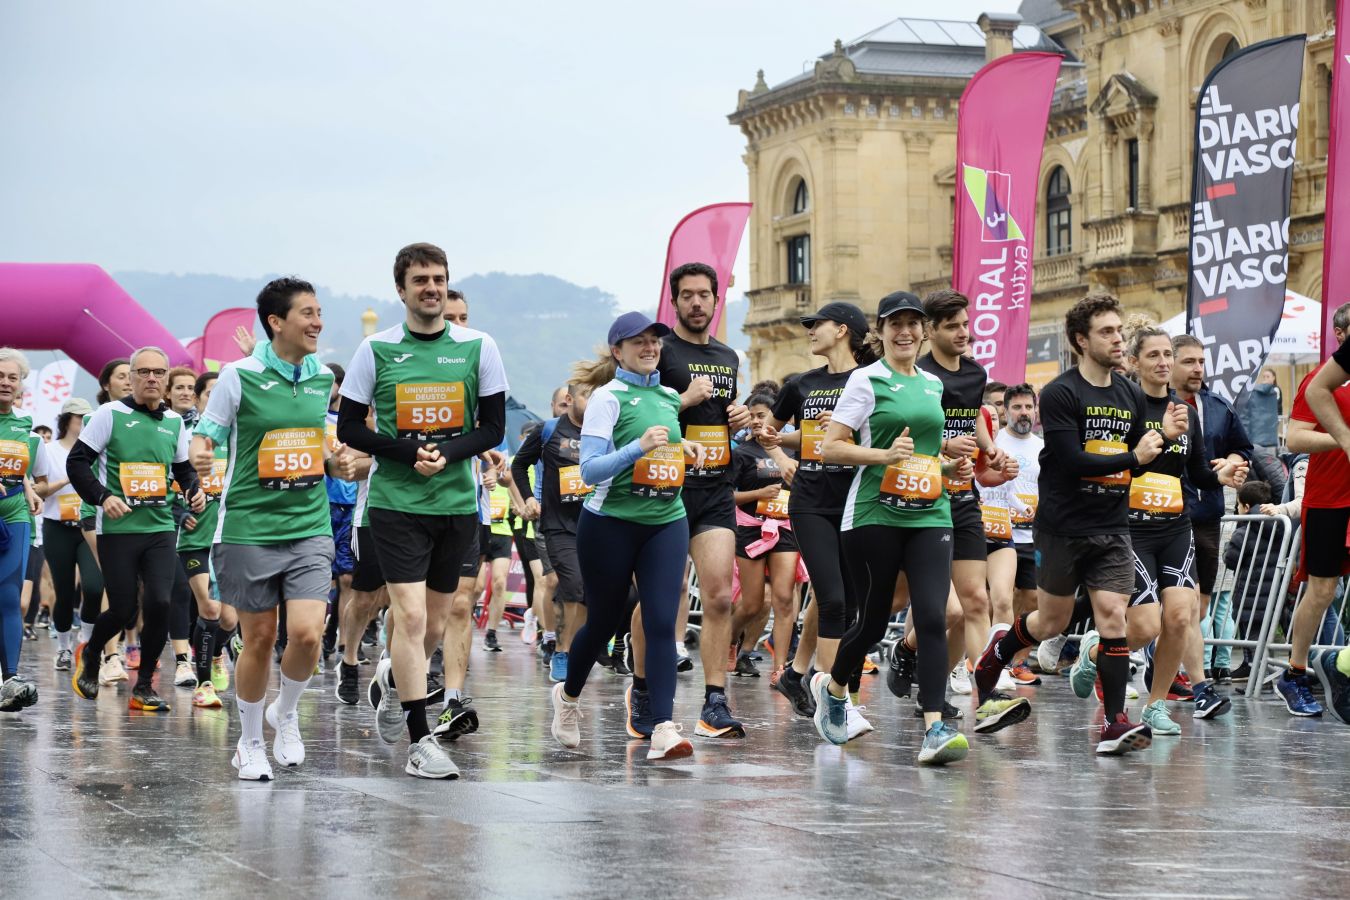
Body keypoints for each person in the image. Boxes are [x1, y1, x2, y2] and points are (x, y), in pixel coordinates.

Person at [973, 293, 1185, 754]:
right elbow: (1070, 461)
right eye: (1107, 331)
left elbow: (1137, 465)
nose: (1117, 338)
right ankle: (997, 654)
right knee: (1052, 620)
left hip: (1112, 526)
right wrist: (1136, 455)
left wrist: (1163, 442)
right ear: (1080, 340)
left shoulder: (1128, 392)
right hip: (1063, 526)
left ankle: (1113, 723)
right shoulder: (1063, 392)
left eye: (1119, 329)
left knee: (1113, 617)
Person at [338, 245, 507, 779]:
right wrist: (408, 453)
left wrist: (449, 453)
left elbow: (493, 426)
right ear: (401, 289)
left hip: (457, 503)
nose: (430, 288)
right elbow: (350, 429)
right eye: (420, 281)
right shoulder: (377, 349)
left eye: (438, 279)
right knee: (409, 617)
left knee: (433, 624)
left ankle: (392, 683)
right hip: (396, 504)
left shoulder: (479, 347)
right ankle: (419, 740)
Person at [191, 278, 352, 780]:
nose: (318, 322)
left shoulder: (322, 377)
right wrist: (200, 450)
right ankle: (250, 742)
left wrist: (334, 461)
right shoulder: (239, 376)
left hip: (308, 525)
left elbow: (315, 441)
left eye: (320, 312)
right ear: (276, 322)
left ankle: (286, 714)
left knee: (306, 633)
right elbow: (209, 431)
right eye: (307, 313)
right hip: (248, 527)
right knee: (260, 636)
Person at [806, 291, 969, 765]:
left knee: (935, 616)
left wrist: (948, 468)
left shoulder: (934, 386)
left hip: (930, 512)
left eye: (913, 324)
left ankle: (934, 729)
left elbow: (925, 454)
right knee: (873, 620)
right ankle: (834, 688)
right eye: (895, 324)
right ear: (881, 330)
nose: (905, 332)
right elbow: (830, 448)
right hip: (874, 513)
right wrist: (883, 456)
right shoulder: (865, 379)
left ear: (923, 332)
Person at [549, 311, 702, 760]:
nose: (650, 348)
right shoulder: (606, 399)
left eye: (655, 341)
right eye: (639, 342)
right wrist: (640, 448)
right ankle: (568, 696)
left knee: (659, 622)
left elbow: (662, 446)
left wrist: (680, 449)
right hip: (610, 522)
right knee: (602, 621)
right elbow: (590, 469)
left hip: (665, 519)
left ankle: (662, 727)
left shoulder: (669, 398)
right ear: (618, 351)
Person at [633, 261, 750, 739]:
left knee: (720, 594)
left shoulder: (728, 356)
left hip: (717, 487)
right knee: (660, 597)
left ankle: (714, 702)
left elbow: (722, 415)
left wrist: (738, 417)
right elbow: (639, 412)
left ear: (716, 300)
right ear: (675, 300)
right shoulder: (661, 352)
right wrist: (682, 399)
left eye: (705, 295)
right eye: (688, 295)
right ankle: (641, 688)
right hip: (667, 487)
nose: (697, 303)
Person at [1108, 327, 1243, 736]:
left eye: (1168, 354)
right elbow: (1115, 464)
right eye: (1153, 355)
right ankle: (1096, 652)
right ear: (1134, 363)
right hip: (1132, 529)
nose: (1164, 362)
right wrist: (1159, 438)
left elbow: (1198, 471)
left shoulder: (1186, 410)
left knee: (1181, 618)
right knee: (1146, 626)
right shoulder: (1125, 408)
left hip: (1175, 526)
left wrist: (1226, 475)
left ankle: (1154, 706)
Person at [68, 346, 205, 712]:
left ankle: (144, 685)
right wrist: (102, 497)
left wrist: (195, 490)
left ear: (166, 378)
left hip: (160, 527)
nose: (151, 378)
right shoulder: (109, 414)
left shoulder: (174, 422)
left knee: (160, 601)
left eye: (158, 372)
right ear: (131, 377)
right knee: (124, 609)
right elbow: (77, 463)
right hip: (117, 529)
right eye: (143, 372)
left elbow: (183, 470)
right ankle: (93, 652)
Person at [761, 303, 873, 722]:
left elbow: (881, 431)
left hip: (857, 499)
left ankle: (796, 673)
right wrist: (781, 455)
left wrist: (842, 429)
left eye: (816, 325)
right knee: (834, 600)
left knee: (849, 601)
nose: (809, 331)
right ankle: (837, 702)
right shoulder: (801, 384)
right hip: (810, 500)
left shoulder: (871, 378)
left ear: (842, 330)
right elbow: (768, 432)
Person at [913, 290, 1013, 720]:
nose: (963, 333)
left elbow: (971, 417)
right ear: (930, 330)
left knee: (976, 600)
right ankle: (907, 656)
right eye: (952, 326)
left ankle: (985, 694)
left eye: (965, 324)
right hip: (922, 496)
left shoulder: (975, 373)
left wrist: (990, 449)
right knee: (938, 609)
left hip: (965, 495)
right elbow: (904, 430)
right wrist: (942, 444)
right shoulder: (918, 375)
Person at [1171, 334, 1252, 693]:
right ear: (1168, 364)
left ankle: (1167, 671)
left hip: (1208, 514)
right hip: (1166, 516)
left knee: (1199, 610)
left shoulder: (1218, 405)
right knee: (1179, 605)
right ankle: (1188, 680)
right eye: (1189, 361)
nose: (1198, 368)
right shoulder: (1155, 405)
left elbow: (1242, 448)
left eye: (1201, 362)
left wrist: (1232, 463)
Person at [1274, 332, 1350, 717]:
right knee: (1321, 591)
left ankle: (1341, 667)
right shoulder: (1319, 381)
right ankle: (1295, 672)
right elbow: (1294, 438)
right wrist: (1343, 439)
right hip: (1328, 499)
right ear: (1341, 335)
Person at [511, 382, 592, 685]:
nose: (594, 402)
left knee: (587, 592)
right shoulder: (548, 430)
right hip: (558, 524)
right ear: (570, 400)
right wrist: (530, 498)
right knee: (569, 583)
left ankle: (577, 649)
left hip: (594, 523)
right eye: (587, 395)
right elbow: (519, 466)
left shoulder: (604, 430)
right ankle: (560, 649)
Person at [729, 384, 800, 681]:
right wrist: (758, 493)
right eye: (754, 416)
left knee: (784, 599)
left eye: (764, 415)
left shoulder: (791, 449)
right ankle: (730, 640)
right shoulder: (742, 453)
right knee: (753, 603)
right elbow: (725, 495)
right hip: (750, 529)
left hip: (785, 528)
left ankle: (780, 669)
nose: (758, 422)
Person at [978, 383, 1042, 685]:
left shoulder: (1041, 446)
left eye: (1029, 407)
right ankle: (988, 659)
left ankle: (1018, 660)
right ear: (1006, 411)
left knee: (1032, 599)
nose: (1024, 412)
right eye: (1017, 407)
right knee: (998, 599)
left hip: (1032, 535)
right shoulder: (994, 442)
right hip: (997, 532)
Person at [34, 397, 102, 676]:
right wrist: (67, 480)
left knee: (95, 587)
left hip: (88, 526)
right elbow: (39, 491)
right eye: (78, 417)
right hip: (57, 526)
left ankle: (85, 643)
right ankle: (63, 647)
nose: (84, 422)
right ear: (66, 420)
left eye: (88, 417)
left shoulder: (98, 449)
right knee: (63, 592)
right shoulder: (49, 450)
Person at [177, 371, 230, 708]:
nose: (215, 398)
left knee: (229, 620)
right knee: (209, 607)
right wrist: (179, 511)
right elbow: (166, 481)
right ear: (198, 399)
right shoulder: (185, 437)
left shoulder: (238, 438)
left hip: (231, 538)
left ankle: (214, 652)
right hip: (195, 536)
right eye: (210, 393)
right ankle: (204, 684)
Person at [0, 348, 48, 711]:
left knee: (10, 595)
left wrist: (29, 486)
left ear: (20, 385)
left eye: (11, 378)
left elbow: (21, 467)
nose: (5, 382)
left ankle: (10, 679)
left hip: (16, 512)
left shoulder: (24, 423)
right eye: (0, 376)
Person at [1238, 368, 1286, 498]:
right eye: (1263, 376)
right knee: (1271, 470)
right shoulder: (1274, 391)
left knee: (1257, 472)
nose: (1265, 378)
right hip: (1269, 438)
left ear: (1274, 378)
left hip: (1255, 439)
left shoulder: (1253, 392)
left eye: (1267, 376)